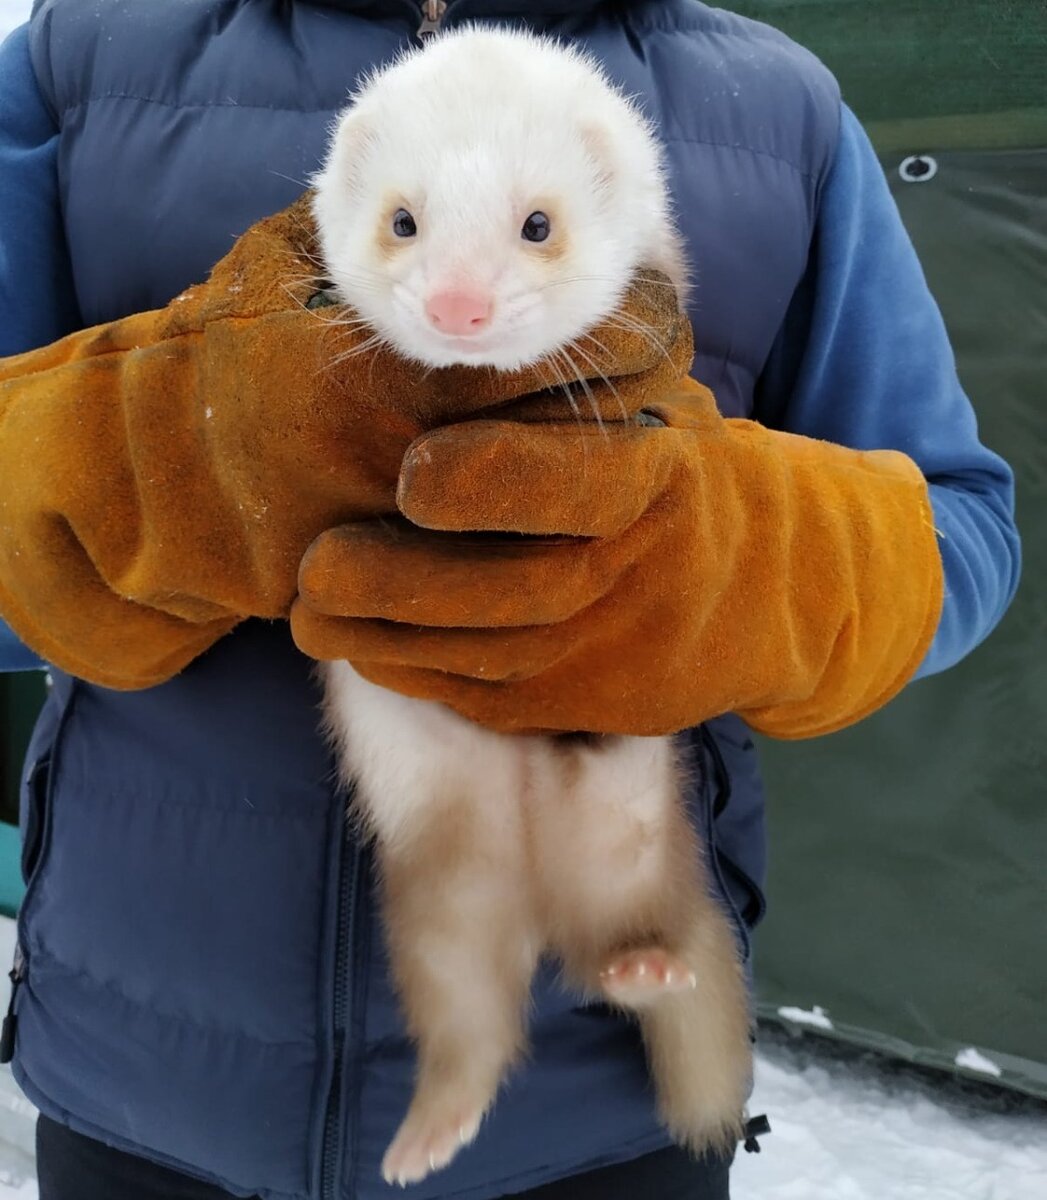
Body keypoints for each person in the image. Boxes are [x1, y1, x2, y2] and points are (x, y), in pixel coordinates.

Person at [0, 2, 1020, 1198]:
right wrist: (157, 462)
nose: (460, 306)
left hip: (599, 1104)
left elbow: (964, 532)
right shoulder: (84, 67)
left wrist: (732, 566)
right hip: (145, 1086)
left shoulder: (781, 117)